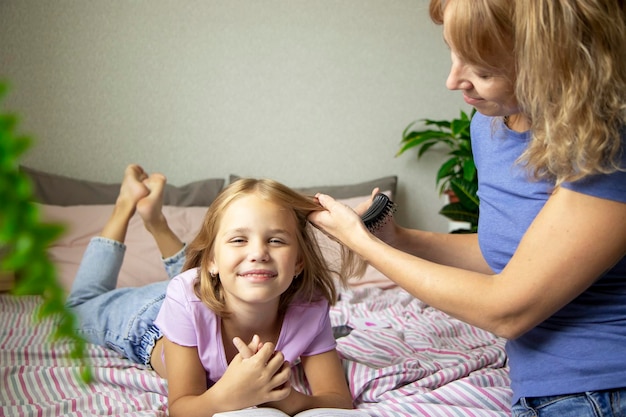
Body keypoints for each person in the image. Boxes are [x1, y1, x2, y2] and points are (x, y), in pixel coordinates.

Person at [308, 1, 626, 416]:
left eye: (483, 70)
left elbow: (507, 309)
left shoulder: (608, 144)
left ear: (555, 63)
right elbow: (514, 257)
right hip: (538, 390)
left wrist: (363, 246)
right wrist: (398, 240)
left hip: (603, 388)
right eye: (453, 53)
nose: (454, 80)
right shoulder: (491, 125)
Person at [66, 164, 358, 417]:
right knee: (78, 307)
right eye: (239, 239)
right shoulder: (187, 293)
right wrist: (228, 397)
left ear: (298, 262)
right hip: (149, 321)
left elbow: (337, 400)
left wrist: (288, 400)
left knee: (222, 274)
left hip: (209, 290)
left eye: (277, 241)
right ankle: (125, 205)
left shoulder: (310, 306)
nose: (258, 252)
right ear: (212, 261)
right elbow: (181, 408)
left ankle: (155, 222)